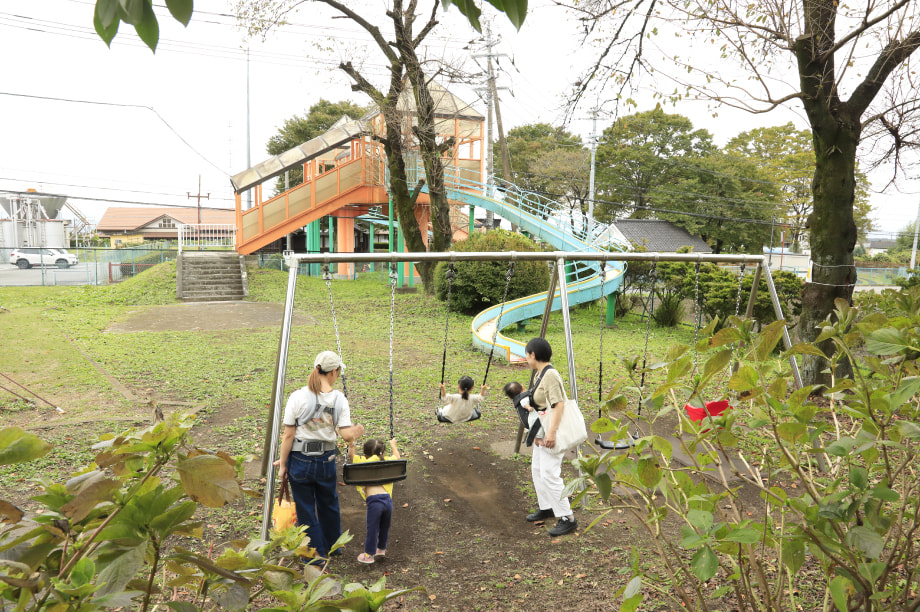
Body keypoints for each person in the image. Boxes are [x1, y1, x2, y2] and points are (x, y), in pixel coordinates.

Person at [277, 350, 364, 560]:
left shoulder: (297, 397)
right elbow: (345, 435)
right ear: (334, 371)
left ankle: (315, 555)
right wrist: (356, 431)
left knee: (306, 509)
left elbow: (288, 434)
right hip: (327, 460)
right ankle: (333, 546)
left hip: (300, 460)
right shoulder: (339, 399)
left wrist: (283, 464)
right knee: (329, 503)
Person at [522, 337, 578, 537]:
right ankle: (547, 507)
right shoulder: (541, 374)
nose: (526, 359)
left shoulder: (550, 375)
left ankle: (568, 518)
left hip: (550, 431)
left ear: (533, 355)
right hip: (541, 430)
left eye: (527, 355)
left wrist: (552, 433)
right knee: (537, 469)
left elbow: (559, 404)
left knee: (549, 474)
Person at [347, 438, 400, 564]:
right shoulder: (387, 461)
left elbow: (351, 455)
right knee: (384, 526)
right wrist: (393, 445)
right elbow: (397, 457)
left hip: (374, 502)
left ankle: (369, 555)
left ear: (365, 453)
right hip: (388, 501)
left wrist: (351, 443)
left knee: (372, 529)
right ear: (383, 452)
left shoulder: (363, 462)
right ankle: (381, 549)